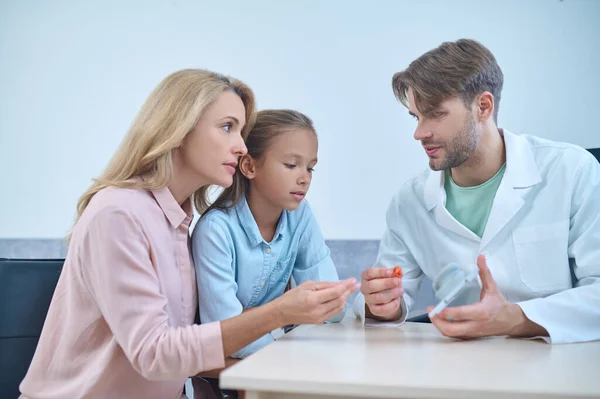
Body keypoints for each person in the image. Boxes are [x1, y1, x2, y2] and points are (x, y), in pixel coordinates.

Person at [19, 69, 359, 399]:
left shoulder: (180, 219)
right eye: (227, 128)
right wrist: (280, 313)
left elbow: (185, 350)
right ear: (178, 130)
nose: (241, 146)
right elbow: (154, 354)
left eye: (241, 132)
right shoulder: (118, 214)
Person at [354, 39, 600, 344]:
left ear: (483, 106)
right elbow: (387, 305)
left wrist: (516, 319)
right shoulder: (410, 201)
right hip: (461, 369)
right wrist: (382, 306)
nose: (419, 133)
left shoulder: (571, 170)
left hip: (557, 367)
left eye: (435, 114)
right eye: (417, 117)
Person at [192, 109, 345, 362]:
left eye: (310, 168)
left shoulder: (301, 215)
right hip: (227, 382)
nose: (304, 178)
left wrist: (255, 317)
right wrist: (284, 320)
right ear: (250, 166)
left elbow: (330, 306)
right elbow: (226, 338)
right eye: (291, 165)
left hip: (275, 365)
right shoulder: (215, 231)